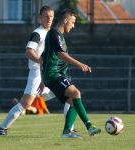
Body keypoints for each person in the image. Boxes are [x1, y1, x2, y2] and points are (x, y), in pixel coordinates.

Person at [0, 6, 54, 136]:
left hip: (49, 73)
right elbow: (28, 51)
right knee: (26, 103)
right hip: (38, 73)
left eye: (51, 16)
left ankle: (69, 129)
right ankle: (2, 127)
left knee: (69, 95)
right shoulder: (38, 33)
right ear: (40, 18)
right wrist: (41, 62)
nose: (49, 19)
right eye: (46, 16)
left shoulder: (51, 33)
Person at [42, 8, 101, 138]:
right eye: (73, 22)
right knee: (76, 93)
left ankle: (67, 131)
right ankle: (89, 126)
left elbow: (44, 57)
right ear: (66, 19)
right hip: (54, 75)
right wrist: (80, 64)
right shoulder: (54, 34)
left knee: (73, 100)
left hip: (57, 75)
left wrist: (42, 80)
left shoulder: (59, 36)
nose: (73, 26)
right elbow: (60, 54)